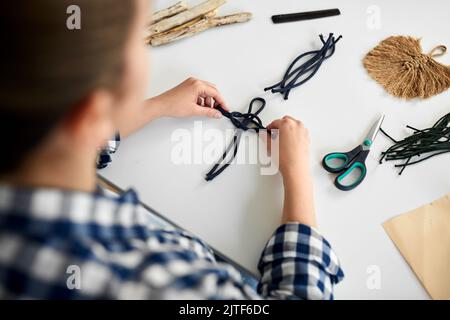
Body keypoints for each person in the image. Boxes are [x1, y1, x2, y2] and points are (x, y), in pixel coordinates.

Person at [0, 0, 343, 299]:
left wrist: (155, 107)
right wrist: (297, 173)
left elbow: (62, 140)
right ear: (91, 113)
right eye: (139, 41)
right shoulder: (163, 285)